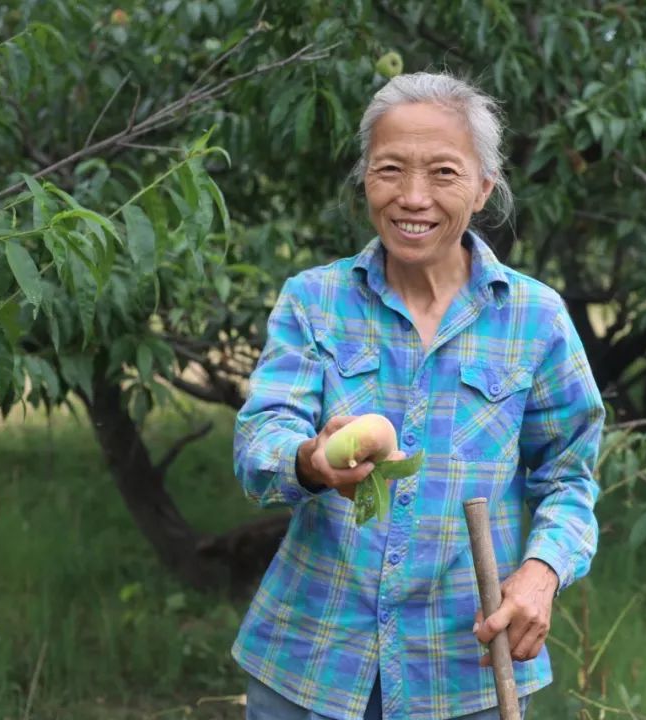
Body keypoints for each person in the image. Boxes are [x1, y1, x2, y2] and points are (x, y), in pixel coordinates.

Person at [232, 71, 605, 720]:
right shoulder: (314, 301)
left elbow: (569, 476)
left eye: (443, 173)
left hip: (465, 674)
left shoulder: (535, 319)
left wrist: (542, 572)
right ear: (364, 178)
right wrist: (309, 462)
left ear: (485, 187)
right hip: (310, 666)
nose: (412, 197)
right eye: (389, 170)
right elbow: (258, 441)